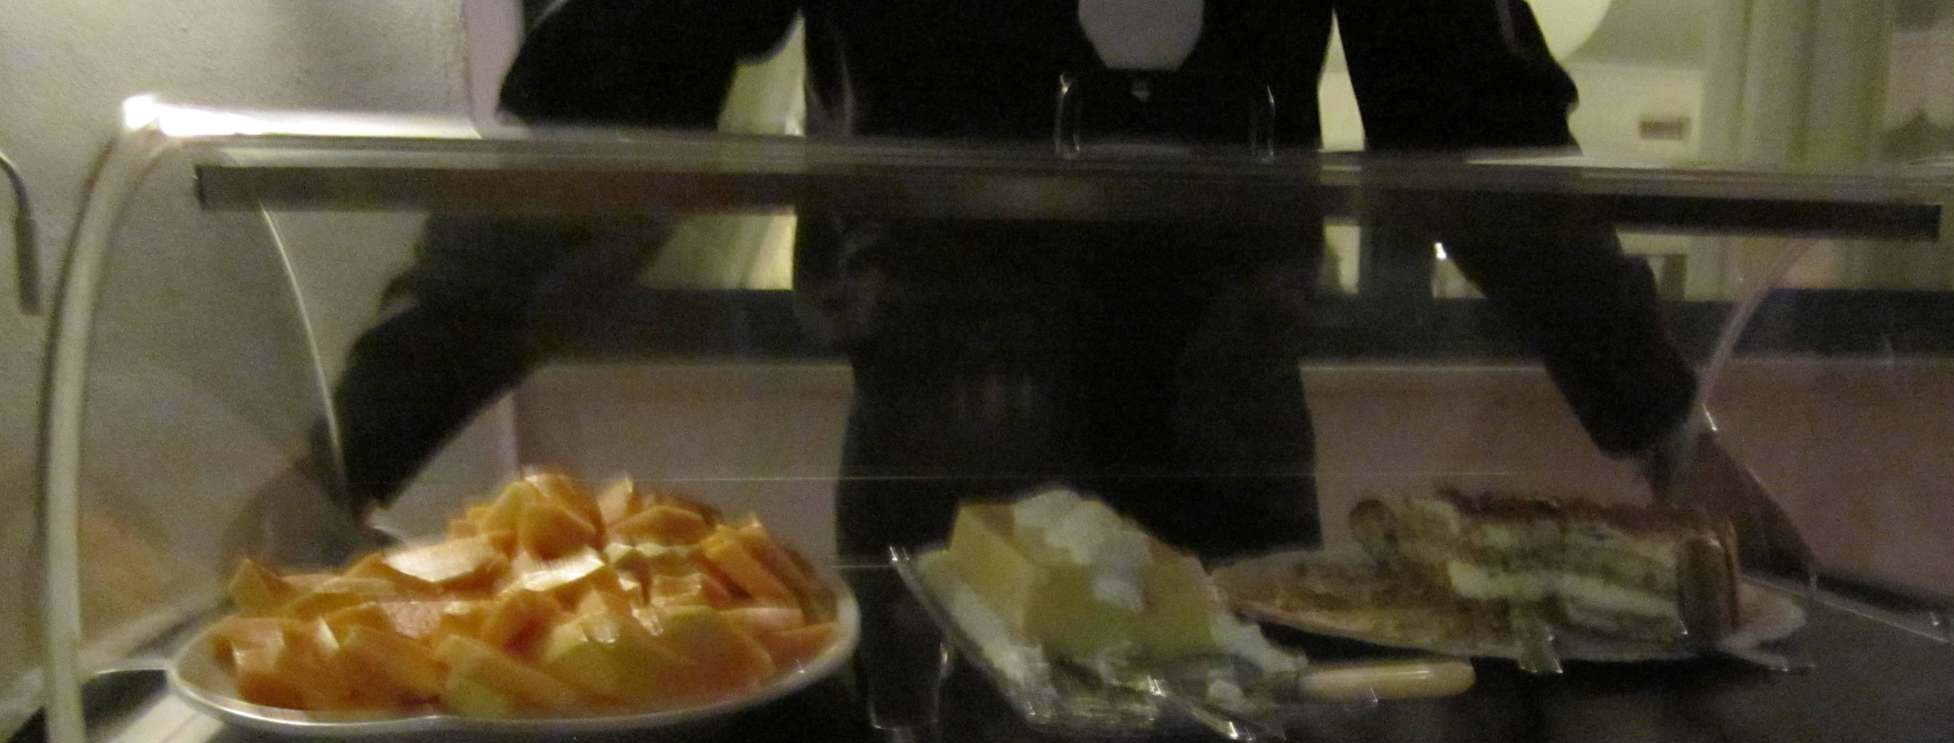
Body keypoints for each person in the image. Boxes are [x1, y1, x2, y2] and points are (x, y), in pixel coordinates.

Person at [309, 0, 1811, 579]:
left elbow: (1475, 138)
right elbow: (609, 121)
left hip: (1227, 467)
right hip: (939, 479)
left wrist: (1671, 433)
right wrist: (348, 455)